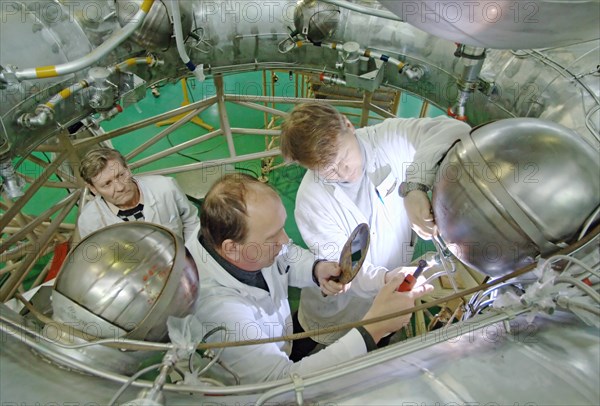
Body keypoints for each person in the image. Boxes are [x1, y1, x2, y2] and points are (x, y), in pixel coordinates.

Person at [187, 173, 432, 385]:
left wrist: (316, 269)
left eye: (282, 228)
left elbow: (288, 255)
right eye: (272, 237)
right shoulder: (218, 313)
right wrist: (371, 330)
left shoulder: (235, 240)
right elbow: (280, 383)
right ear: (231, 248)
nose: (284, 240)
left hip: (281, 340)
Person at [279, 101, 471, 358]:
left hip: (390, 288)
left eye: (343, 157)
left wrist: (415, 186)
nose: (343, 172)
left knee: (373, 346)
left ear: (348, 125)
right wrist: (385, 278)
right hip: (337, 307)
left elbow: (452, 130)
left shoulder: (386, 138)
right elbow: (347, 268)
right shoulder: (310, 201)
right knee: (307, 343)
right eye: (328, 170)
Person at [77, 147, 199, 242]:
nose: (120, 187)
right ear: (93, 189)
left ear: (128, 169)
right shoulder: (89, 221)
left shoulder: (165, 187)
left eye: (121, 175)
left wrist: (190, 257)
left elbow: (191, 221)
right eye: (107, 184)